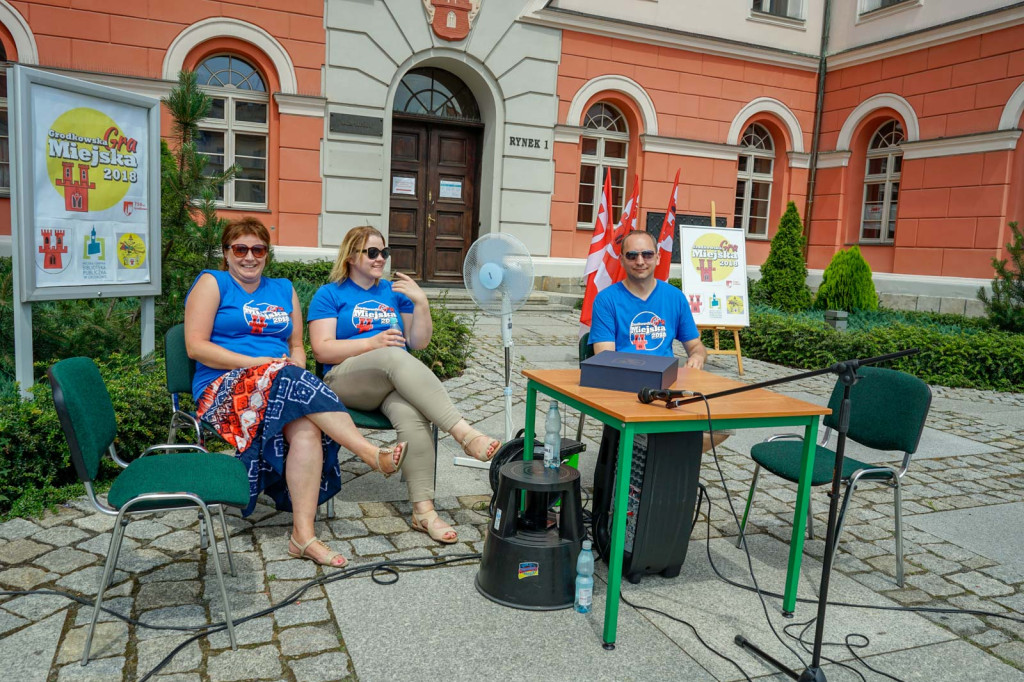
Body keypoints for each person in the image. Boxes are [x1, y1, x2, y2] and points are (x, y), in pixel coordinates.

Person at [184, 217, 407, 569]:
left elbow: (297, 346)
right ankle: (368, 452)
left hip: (280, 381)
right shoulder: (214, 283)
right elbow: (196, 347)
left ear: (266, 254)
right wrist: (259, 363)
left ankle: (302, 537)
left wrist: (293, 368)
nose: (249, 257)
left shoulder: (283, 288)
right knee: (287, 378)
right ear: (226, 253)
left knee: (307, 428)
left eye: (257, 249)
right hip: (225, 388)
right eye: (240, 249)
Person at [308, 226, 501, 544]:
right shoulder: (330, 294)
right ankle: (464, 434)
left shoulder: (394, 293)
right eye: (372, 252)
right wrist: (372, 343)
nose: (380, 258)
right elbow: (322, 349)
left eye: (384, 252)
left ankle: (423, 511)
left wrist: (421, 303)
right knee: (393, 356)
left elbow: (418, 343)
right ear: (351, 256)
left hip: (389, 379)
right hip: (344, 379)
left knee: (412, 411)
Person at [590, 230, 728, 451]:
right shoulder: (607, 300)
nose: (640, 261)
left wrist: (697, 357)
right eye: (632, 255)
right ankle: (663, 460)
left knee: (722, 426)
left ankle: (667, 461)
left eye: (647, 254)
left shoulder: (675, 297)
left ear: (658, 257)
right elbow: (606, 359)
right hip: (626, 388)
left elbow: (696, 346)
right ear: (622, 259)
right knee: (656, 432)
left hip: (669, 385)